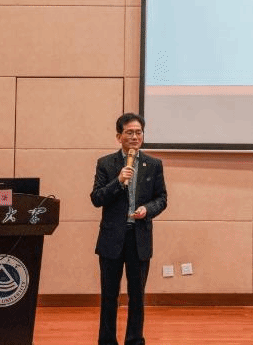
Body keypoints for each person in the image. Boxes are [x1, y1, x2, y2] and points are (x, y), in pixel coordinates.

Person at [90, 113, 168, 345]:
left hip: (139, 238)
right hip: (112, 238)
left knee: (137, 296)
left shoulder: (153, 165)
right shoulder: (106, 163)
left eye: (138, 132)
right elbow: (96, 198)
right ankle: (107, 341)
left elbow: (161, 198)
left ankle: (134, 340)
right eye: (129, 132)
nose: (135, 137)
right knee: (109, 296)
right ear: (119, 137)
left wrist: (147, 209)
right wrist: (118, 181)